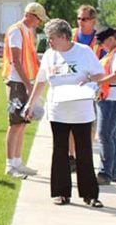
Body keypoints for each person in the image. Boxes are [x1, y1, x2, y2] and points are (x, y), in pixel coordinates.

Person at [26, 19, 105, 207]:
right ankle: (61, 193)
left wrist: (90, 81)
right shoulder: (49, 55)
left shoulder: (84, 52)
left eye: (52, 38)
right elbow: (41, 81)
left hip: (81, 111)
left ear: (63, 36)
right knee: (60, 151)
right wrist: (31, 103)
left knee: (84, 152)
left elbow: (100, 75)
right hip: (58, 111)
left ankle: (90, 194)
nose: (49, 42)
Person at [1, 2, 47, 177]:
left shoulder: (27, 31)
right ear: (31, 15)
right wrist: (29, 85)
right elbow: (16, 61)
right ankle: (10, 166)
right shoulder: (16, 31)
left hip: (24, 82)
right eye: (39, 19)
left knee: (22, 124)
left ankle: (18, 162)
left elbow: (31, 57)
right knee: (15, 124)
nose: (39, 23)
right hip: (15, 84)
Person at [67, 4, 104, 172]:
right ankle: (71, 157)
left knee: (90, 126)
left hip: (93, 89)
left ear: (93, 21)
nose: (81, 22)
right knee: (70, 125)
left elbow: (104, 66)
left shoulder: (100, 40)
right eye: (79, 18)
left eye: (85, 19)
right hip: (72, 87)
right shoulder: (71, 35)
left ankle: (84, 156)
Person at [92, 27, 116, 185]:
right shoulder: (113, 53)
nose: (101, 47)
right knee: (110, 136)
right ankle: (112, 172)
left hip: (113, 99)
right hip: (110, 98)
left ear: (110, 39)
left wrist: (98, 82)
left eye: (102, 43)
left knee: (104, 135)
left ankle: (105, 173)